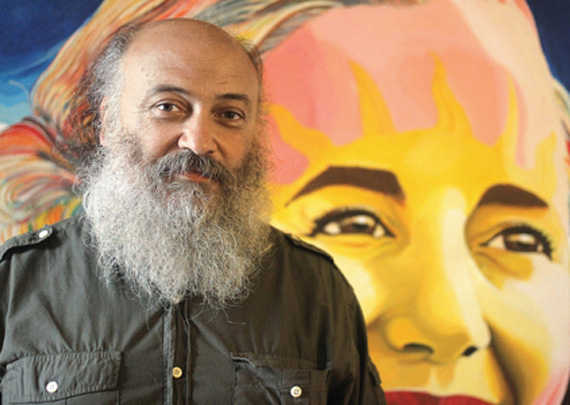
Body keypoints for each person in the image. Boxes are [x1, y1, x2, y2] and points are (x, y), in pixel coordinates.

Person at [0, 19, 386, 404]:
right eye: (168, 107)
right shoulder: (16, 283)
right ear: (109, 122)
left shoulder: (316, 289)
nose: (199, 142)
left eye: (229, 115)